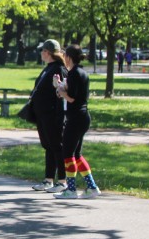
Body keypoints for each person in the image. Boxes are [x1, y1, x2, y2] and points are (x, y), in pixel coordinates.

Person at [53, 44, 101, 199]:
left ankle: (71, 190)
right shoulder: (82, 72)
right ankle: (92, 187)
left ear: (68, 57)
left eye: (65, 56)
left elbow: (72, 98)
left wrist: (61, 92)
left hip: (75, 118)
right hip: (83, 117)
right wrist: (59, 86)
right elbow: (71, 92)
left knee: (67, 153)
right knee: (77, 154)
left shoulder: (74, 73)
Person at [30, 39, 68, 193]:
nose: (41, 53)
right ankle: (48, 180)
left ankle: (62, 181)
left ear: (48, 52)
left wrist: (60, 117)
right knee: (48, 146)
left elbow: (61, 94)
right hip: (43, 115)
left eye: (42, 50)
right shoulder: (48, 68)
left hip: (53, 115)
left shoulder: (59, 69)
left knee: (57, 147)